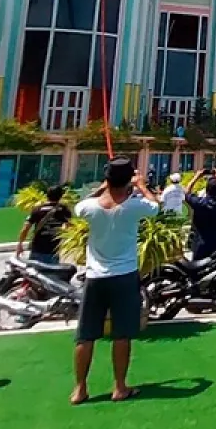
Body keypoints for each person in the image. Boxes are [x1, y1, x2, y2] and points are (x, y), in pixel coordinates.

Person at [71, 157, 160, 405]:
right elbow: (155, 206)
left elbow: (80, 205)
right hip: (123, 276)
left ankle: (80, 389)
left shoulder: (90, 207)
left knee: (85, 336)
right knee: (122, 335)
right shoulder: (133, 207)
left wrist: (103, 187)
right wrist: (142, 185)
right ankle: (119, 387)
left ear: (107, 179)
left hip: (95, 278)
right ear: (128, 179)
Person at [16, 183, 71, 266]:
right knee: (50, 276)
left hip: (37, 249)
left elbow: (26, 228)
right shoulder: (64, 210)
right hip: (54, 251)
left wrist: (20, 244)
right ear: (61, 196)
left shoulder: (37, 209)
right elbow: (69, 227)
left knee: (33, 275)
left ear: (47, 195)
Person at [186, 172, 216, 260]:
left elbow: (186, 192)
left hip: (200, 244)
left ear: (206, 190)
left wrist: (197, 176)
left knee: (198, 271)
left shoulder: (198, 203)